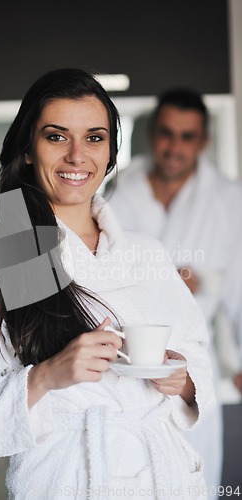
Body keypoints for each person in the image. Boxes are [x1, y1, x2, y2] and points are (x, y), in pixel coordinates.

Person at [0, 69, 215, 500]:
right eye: (56, 136)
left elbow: (197, 355)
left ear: (111, 152)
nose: (76, 155)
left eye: (94, 137)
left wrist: (182, 380)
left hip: (167, 480)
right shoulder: (6, 255)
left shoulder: (147, 253)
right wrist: (47, 375)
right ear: (28, 149)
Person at [106, 87, 242, 494]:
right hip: (122, 363)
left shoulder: (229, 200)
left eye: (187, 137)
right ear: (152, 134)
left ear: (204, 141)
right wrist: (166, 275)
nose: (175, 147)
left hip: (191, 368)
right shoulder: (116, 191)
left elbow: (238, 285)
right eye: (167, 133)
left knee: (192, 482)